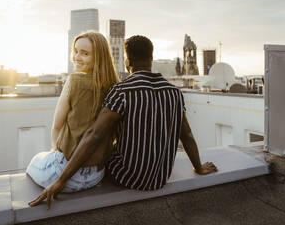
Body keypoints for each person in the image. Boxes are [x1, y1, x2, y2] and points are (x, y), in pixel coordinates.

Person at [29, 35, 217, 209]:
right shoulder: (174, 92)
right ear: (151, 59)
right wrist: (198, 167)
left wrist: (61, 180)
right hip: (160, 178)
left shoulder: (122, 91)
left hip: (127, 177)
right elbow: (187, 135)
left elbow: (94, 135)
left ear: (127, 62)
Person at [26, 31, 119, 192]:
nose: (77, 57)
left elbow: (56, 126)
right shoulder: (115, 87)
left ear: (98, 58)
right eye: (75, 51)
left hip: (64, 174)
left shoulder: (74, 81)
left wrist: (54, 150)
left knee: (34, 161)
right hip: (96, 175)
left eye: (85, 53)